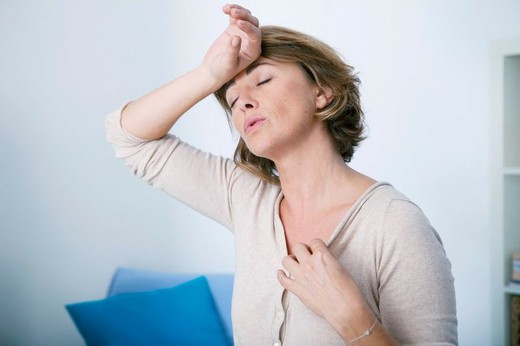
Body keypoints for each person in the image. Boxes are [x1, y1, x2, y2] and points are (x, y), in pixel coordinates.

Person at [106, 4, 457, 345]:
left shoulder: (396, 225)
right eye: (232, 99)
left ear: (321, 92)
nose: (242, 102)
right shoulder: (245, 197)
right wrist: (209, 74)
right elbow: (130, 139)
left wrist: (354, 320)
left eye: (263, 80)